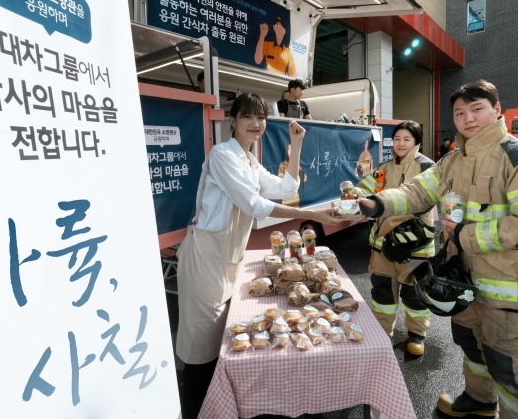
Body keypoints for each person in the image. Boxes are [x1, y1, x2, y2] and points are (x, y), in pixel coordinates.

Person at [359, 80, 518, 419]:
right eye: (460, 112)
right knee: (472, 348)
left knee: (512, 372)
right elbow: (416, 193)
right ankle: (479, 401)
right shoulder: (452, 161)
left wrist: (464, 235)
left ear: (497, 110)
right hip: (463, 281)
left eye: (477, 108)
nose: (468, 118)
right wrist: (376, 203)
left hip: (511, 290)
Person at [175, 93, 340, 419]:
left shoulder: (250, 161)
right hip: (206, 256)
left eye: (261, 117)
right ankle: (194, 410)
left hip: (227, 256)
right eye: (248, 116)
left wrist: (296, 146)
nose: (256, 123)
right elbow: (254, 205)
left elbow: (286, 188)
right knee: (200, 345)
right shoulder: (223, 155)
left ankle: (219, 407)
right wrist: (317, 215)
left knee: (222, 340)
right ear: (232, 121)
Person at [354, 121, 436, 357]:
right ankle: (382, 333)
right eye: (397, 139)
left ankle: (417, 335)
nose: (401, 144)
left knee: (415, 293)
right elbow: (366, 187)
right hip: (382, 245)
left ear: (416, 142)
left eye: (406, 139)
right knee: (382, 292)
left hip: (415, 245)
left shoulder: (427, 167)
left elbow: (430, 199)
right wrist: (357, 193)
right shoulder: (384, 167)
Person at [278, 142, 307, 207]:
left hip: (296, 200)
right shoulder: (283, 165)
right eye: (289, 149)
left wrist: (302, 176)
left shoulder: (298, 165)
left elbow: (304, 180)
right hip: (286, 202)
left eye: (292, 149)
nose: (290, 151)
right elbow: (280, 182)